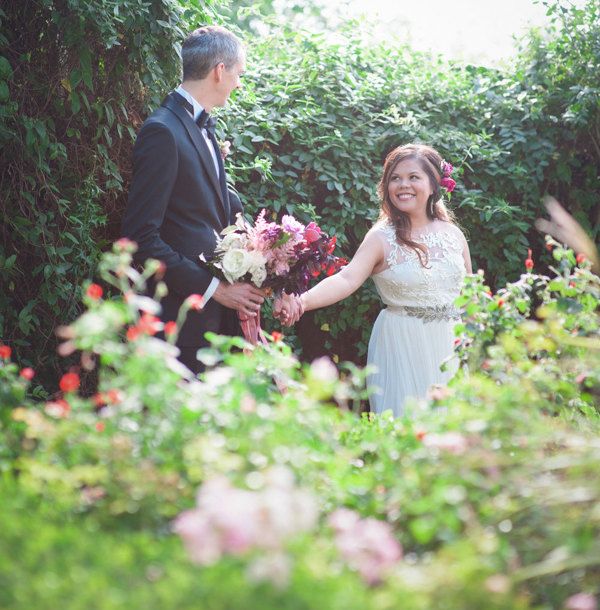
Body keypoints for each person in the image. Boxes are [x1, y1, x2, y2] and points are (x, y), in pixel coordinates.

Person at [121, 25, 299, 374]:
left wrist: (276, 270)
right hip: (180, 325)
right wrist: (214, 288)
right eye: (239, 74)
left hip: (216, 326)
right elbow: (140, 238)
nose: (238, 84)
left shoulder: (202, 128)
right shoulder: (162, 131)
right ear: (221, 70)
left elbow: (219, 215)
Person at [301, 144, 472, 416]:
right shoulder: (381, 237)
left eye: (413, 177)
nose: (403, 185)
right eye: (395, 178)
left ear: (433, 185)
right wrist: (301, 302)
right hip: (401, 343)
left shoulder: (454, 235)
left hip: (450, 342)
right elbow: (346, 279)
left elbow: (470, 297)